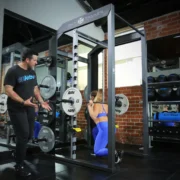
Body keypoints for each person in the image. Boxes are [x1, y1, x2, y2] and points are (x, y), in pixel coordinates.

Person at [4, 49, 51, 177]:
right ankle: (19, 164)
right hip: (16, 107)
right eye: (34, 60)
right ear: (27, 60)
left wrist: (41, 101)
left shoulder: (32, 72)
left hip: (29, 106)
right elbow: (8, 90)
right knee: (23, 135)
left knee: (30, 135)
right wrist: (23, 102)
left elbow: (35, 89)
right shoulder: (13, 71)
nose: (36, 62)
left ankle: (17, 153)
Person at [87, 90, 123, 164]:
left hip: (104, 128)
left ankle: (113, 152)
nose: (90, 99)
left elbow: (93, 116)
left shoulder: (96, 105)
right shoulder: (106, 105)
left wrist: (89, 106)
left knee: (97, 151)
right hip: (111, 127)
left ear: (93, 97)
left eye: (91, 97)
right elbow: (111, 116)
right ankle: (101, 148)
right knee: (94, 131)